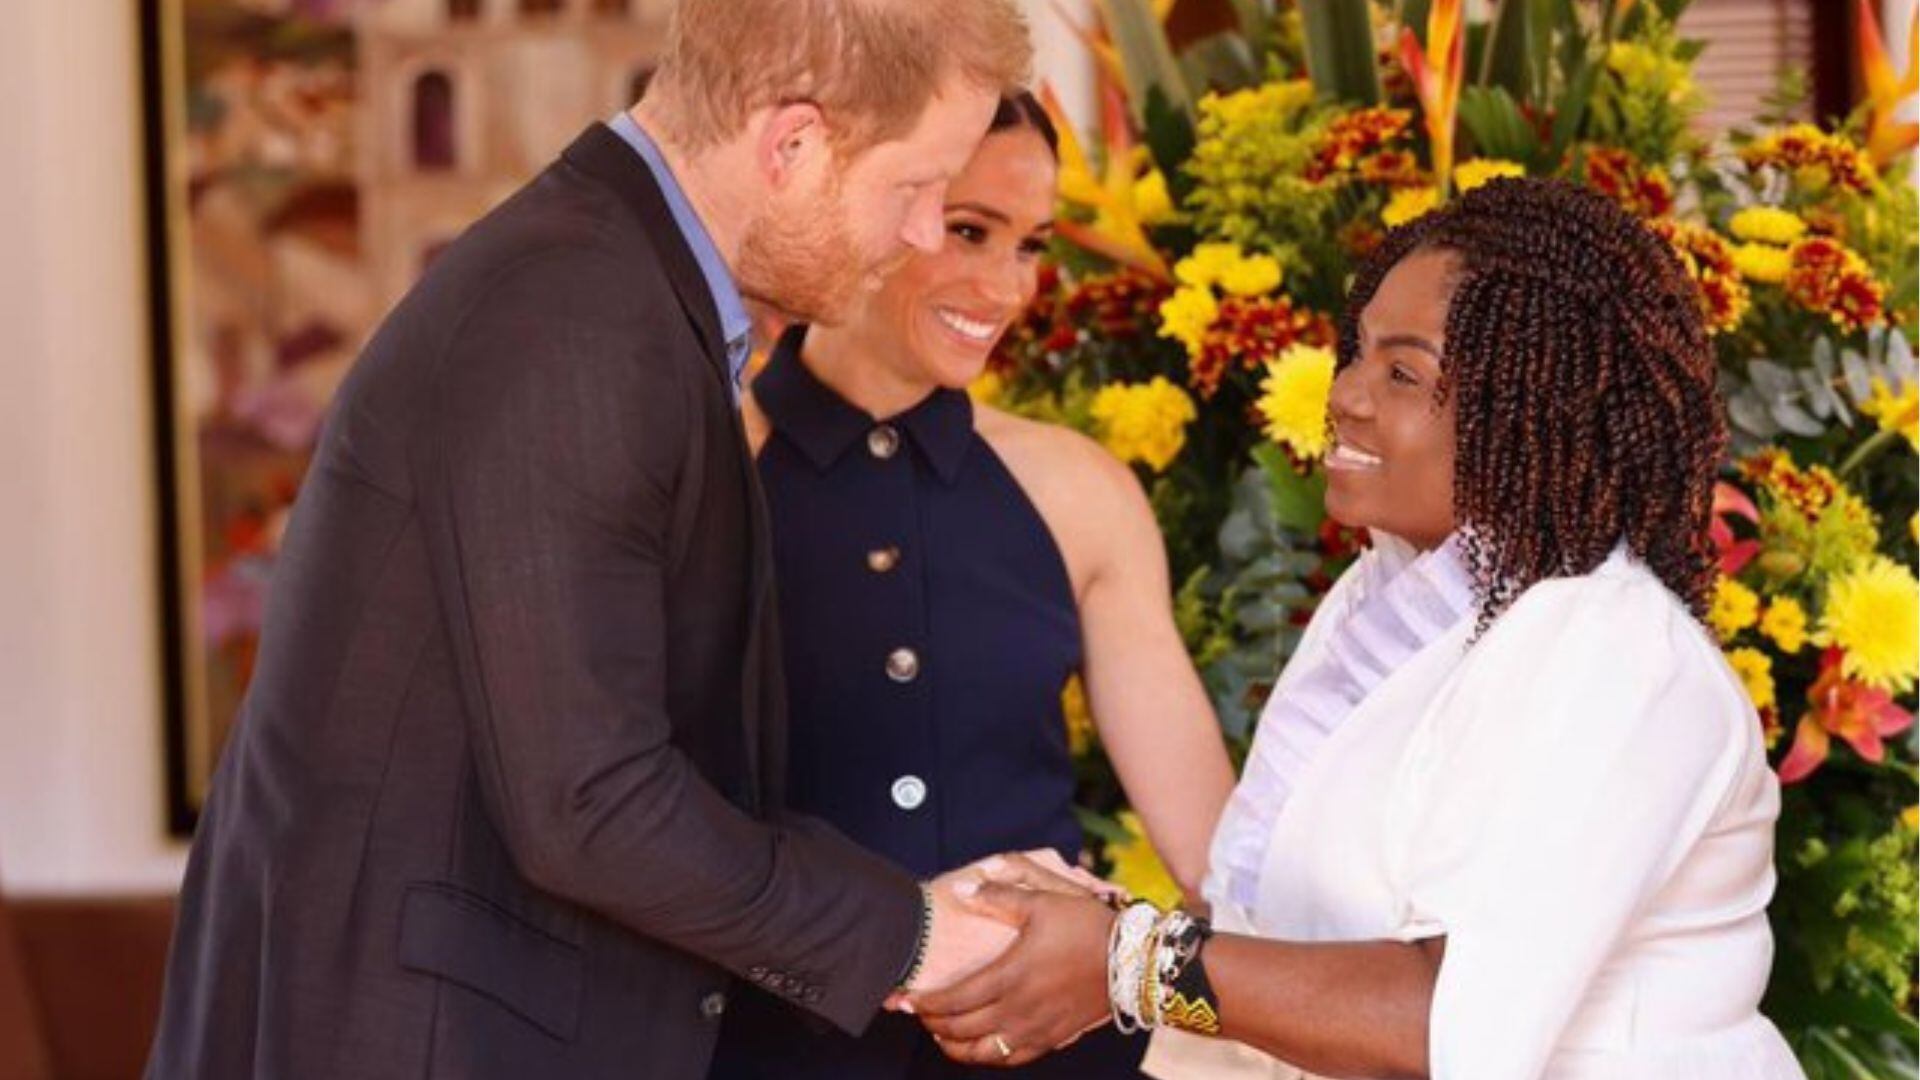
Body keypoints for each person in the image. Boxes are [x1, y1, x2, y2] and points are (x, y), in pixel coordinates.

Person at [144, 2, 1045, 1077]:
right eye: (916, 188)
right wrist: (916, 936)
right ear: (793, 145)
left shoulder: (619, 290)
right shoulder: (574, 319)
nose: (920, 233)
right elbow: (591, 803)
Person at [903, 178, 1806, 1079]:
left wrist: (1128, 960)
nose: (1346, 395)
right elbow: (1295, 950)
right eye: (1358, 354)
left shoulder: (1615, 655)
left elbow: (1453, 1030)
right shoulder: (1385, 602)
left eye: (1403, 373)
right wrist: (1078, 924)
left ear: (1532, 405)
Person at [708, 93, 1236, 1079]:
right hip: (766, 1051)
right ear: (868, 203)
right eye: (966, 230)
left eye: (1030, 243)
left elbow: (1218, 856)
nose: (1006, 286)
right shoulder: (703, 468)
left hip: (1050, 1055)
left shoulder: (1083, 491)